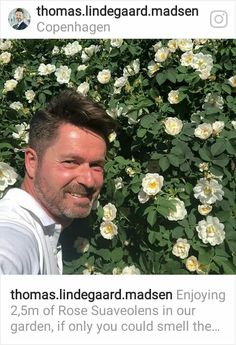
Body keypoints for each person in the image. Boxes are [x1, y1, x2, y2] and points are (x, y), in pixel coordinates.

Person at [0, 89, 117, 274]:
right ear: (32, 162)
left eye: (96, 165)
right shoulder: (14, 235)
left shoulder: (46, 231)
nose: (88, 180)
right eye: (70, 162)